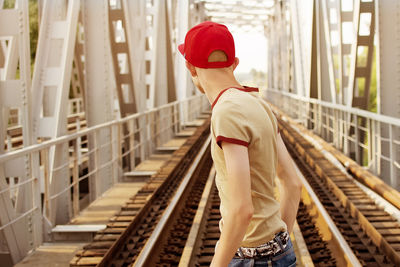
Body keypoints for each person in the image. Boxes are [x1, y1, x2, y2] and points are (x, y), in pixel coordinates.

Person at [178, 21, 302, 267]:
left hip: (251, 259)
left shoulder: (226, 112)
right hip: (279, 252)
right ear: (234, 64)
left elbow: (242, 209)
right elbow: (293, 183)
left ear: (190, 68)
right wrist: (277, 247)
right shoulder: (259, 104)